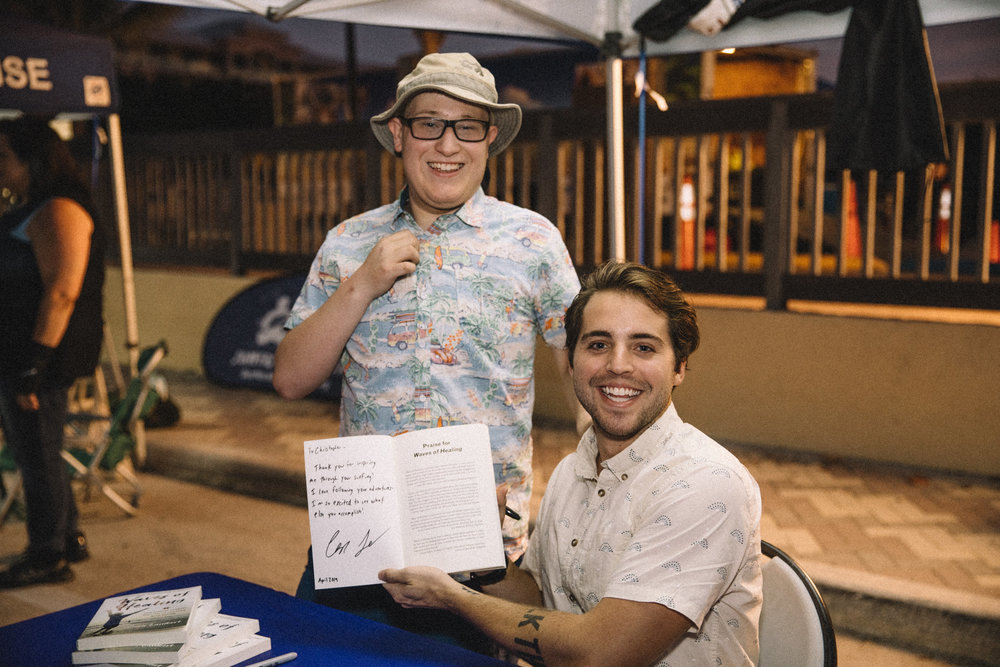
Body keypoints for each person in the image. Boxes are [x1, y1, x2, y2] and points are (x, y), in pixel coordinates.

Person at [273, 52, 582, 647]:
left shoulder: (533, 240)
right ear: (398, 133)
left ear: (489, 138)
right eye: (429, 123)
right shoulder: (348, 242)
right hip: (361, 539)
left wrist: (598, 478)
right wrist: (362, 283)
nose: (447, 143)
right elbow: (289, 378)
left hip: (479, 550)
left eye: (467, 125)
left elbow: (578, 367)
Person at [379, 260, 763, 665]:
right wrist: (483, 558)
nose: (618, 364)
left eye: (644, 347)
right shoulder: (572, 469)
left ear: (679, 367)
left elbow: (598, 655)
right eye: (597, 344)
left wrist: (450, 596)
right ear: (573, 359)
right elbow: (542, 600)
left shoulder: (706, 484)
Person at [0, 116, 105, 588]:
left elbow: (61, 291)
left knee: (36, 455)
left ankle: (46, 555)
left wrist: (33, 367)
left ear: (33, 158)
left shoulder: (58, 209)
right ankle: (67, 537)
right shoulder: (34, 205)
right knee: (43, 449)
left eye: (4, 156)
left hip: (36, 356)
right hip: (25, 352)